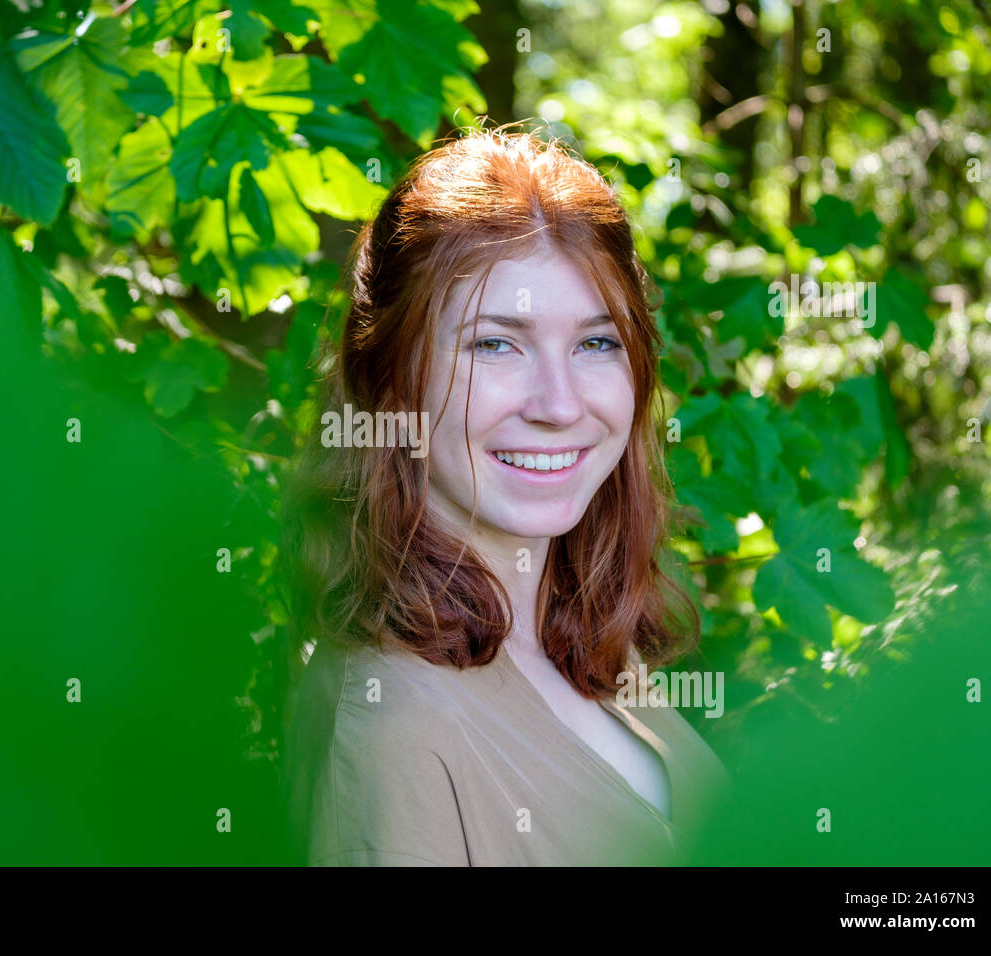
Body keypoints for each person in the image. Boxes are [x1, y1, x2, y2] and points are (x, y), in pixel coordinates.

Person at [278, 124, 732, 866]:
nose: (558, 403)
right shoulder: (392, 722)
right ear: (392, 385)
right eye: (496, 344)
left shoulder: (575, 638)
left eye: (596, 343)